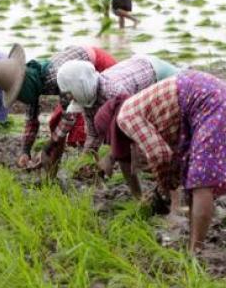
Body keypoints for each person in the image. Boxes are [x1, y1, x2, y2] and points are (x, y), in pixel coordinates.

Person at [115, 70, 226, 252]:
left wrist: (163, 188)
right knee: (193, 181)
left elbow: (159, 154)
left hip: (210, 102)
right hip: (215, 97)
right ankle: (193, 245)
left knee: (201, 181)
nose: (142, 166)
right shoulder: (146, 115)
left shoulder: (126, 118)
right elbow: (170, 157)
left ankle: (195, 252)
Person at [36, 55, 180, 189]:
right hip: (136, 68)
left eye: (71, 93)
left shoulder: (113, 92)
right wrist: (85, 159)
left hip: (158, 74)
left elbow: (130, 128)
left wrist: (110, 158)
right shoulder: (88, 95)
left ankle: (171, 189)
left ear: (80, 86)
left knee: (159, 137)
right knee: (133, 150)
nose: (71, 98)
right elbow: (93, 134)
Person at [9, 45, 117, 170]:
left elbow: (68, 118)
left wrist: (47, 148)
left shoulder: (56, 78)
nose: (19, 99)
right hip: (76, 76)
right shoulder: (33, 81)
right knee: (56, 123)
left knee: (82, 130)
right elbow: (31, 120)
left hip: (96, 68)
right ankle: (54, 170)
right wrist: (25, 151)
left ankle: (92, 170)